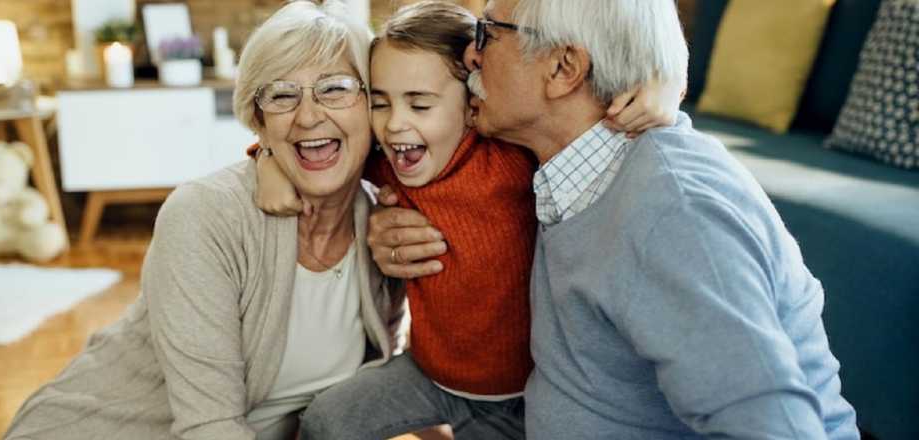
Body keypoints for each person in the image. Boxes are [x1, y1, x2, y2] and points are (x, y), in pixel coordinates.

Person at [368, 0, 861, 438]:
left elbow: (777, 426)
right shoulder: (559, 162)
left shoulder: (674, 215)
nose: (471, 55)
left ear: (564, 68)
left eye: (488, 35)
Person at [252, 2, 682, 438]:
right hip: (428, 374)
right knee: (327, 419)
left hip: (517, 394)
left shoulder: (512, 156)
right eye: (380, 104)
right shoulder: (388, 160)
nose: (395, 125)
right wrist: (267, 157)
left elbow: (592, 123)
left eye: (420, 105)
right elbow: (320, 148)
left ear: (474, 106)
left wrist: (666, 86)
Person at [2, 2, 405, 439]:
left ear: (373, 106)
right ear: (260, 123)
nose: (308, 116)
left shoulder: (385, 226)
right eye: (282, 95)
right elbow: (210, 428)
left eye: (335, 89)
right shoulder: (204, 216)